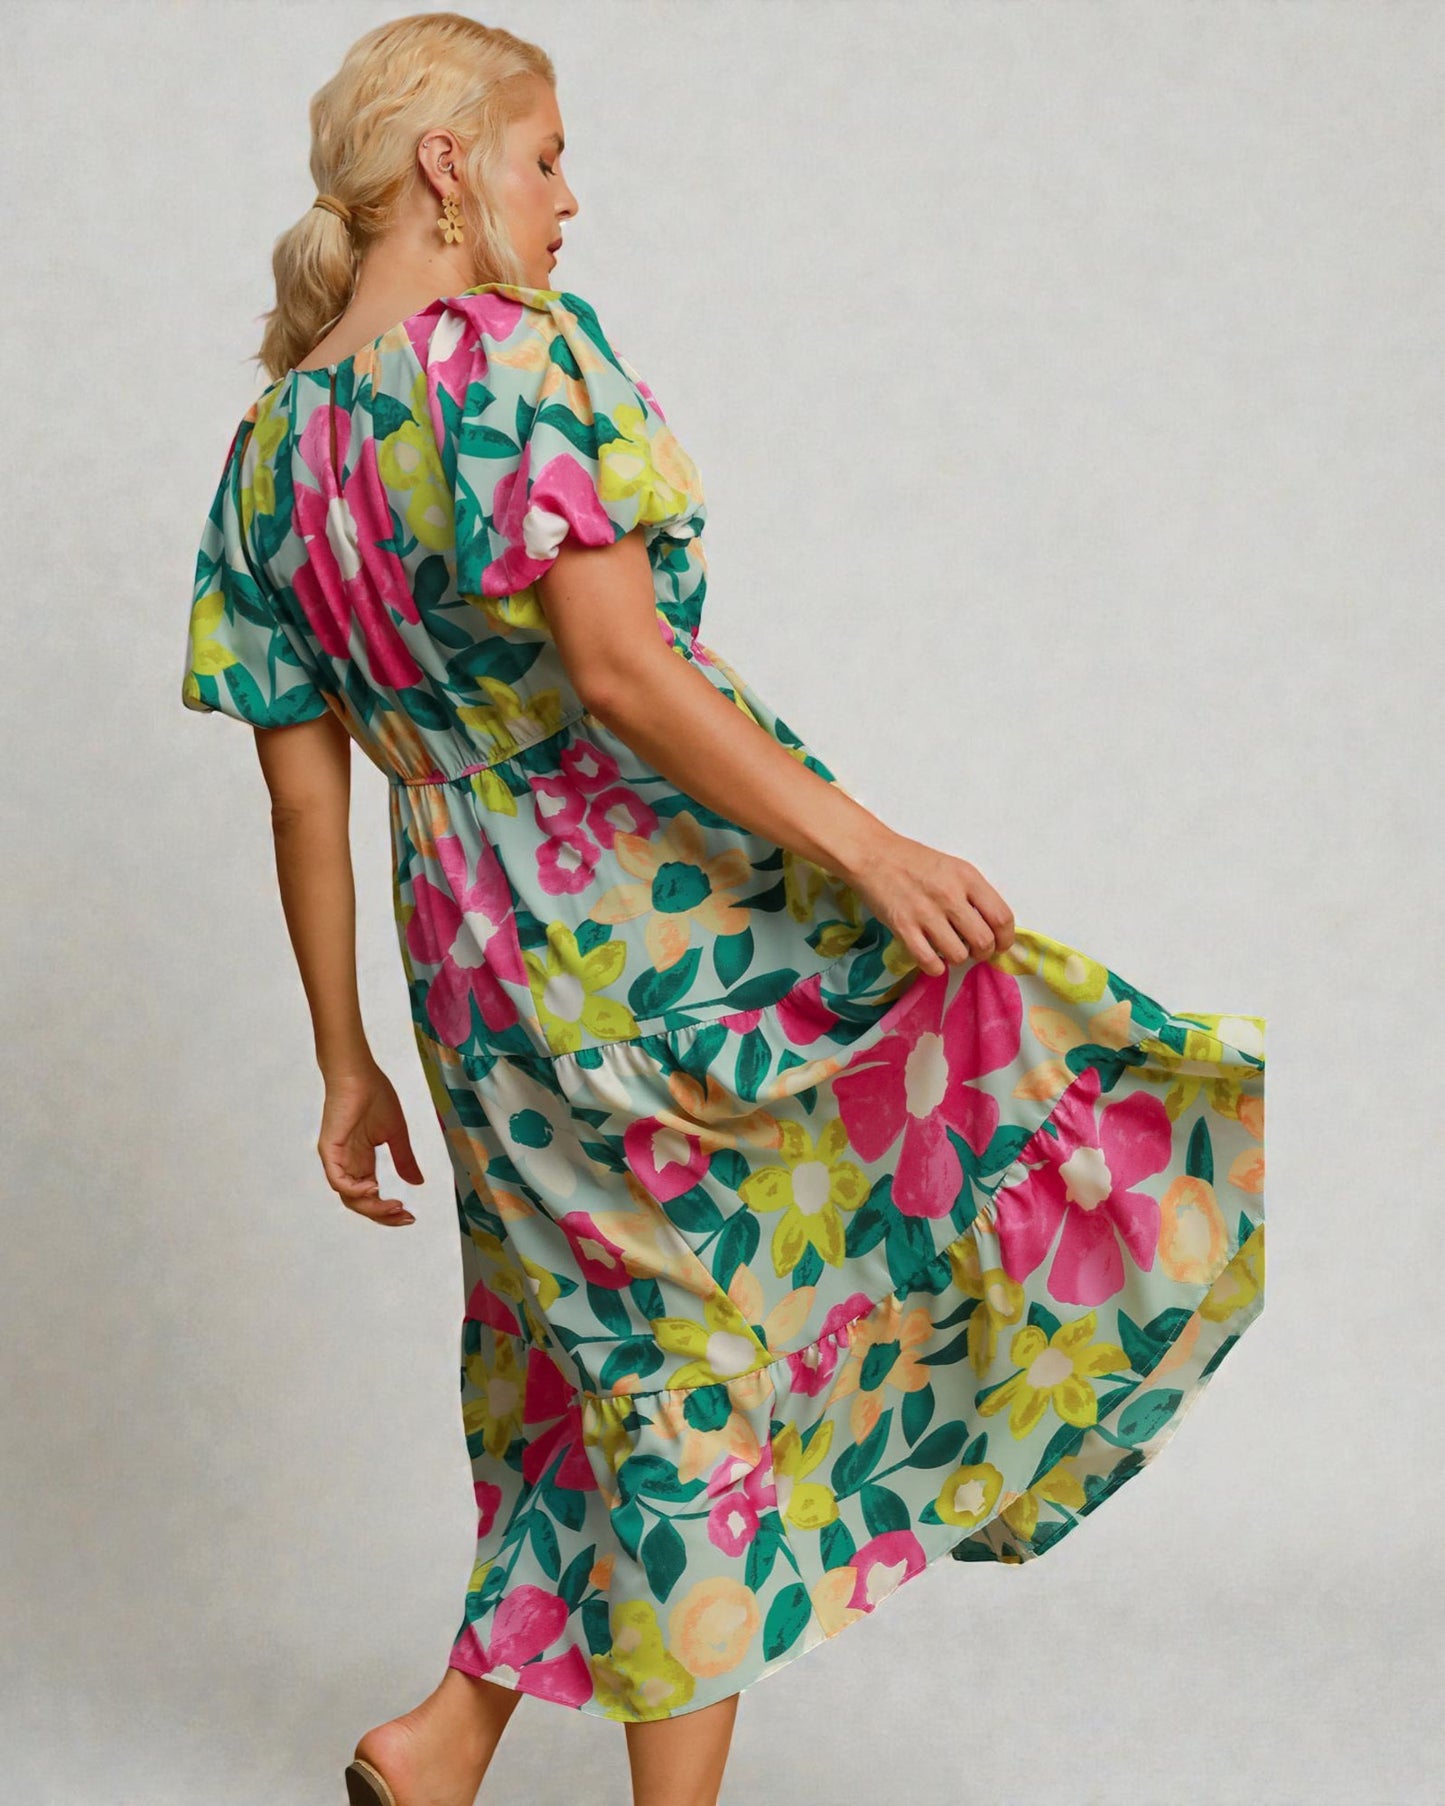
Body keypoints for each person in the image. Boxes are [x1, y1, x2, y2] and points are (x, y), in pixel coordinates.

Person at [180, 13, 1268, 1806]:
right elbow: (620, 671)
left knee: (576, 1342)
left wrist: (344, 1058)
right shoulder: (511, 363)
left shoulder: (269, 450)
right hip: (636, 915)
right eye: (544, 156)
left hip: (464, 954)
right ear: (446, 164)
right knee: (692, 1366)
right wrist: (869, 847)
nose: (569, 198)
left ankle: (441, 1740)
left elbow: (306, 794)